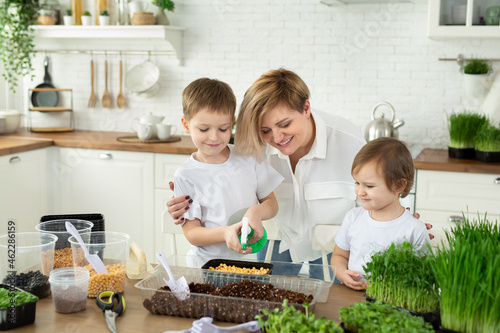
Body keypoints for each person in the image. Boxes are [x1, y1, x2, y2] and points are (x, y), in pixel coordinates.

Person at [167, 68, 433, 279]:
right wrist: (184, 201)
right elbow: (218, 175)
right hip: (270, 251)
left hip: (335, 255)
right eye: (265, 130)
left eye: (284, 125)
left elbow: (380, 189)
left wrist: (399, 220)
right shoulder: (252, 147)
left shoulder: (348, 141)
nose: (277, 138)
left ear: (306, 109)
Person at [172, 78, 284, 267]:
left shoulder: (249, 157)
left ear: (232, 123)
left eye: (223, 129)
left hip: (247, 264)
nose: (214, 137)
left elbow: (271, 204)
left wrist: (256, 211)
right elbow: (192, 233)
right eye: (203, 129)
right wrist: (225, 233)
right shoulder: (185, 175)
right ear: (186, 125)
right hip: (206, 267)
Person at [331, 137, 431, 290]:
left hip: (392, 303)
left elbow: (423, 275)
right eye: (357, 182)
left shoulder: (414, 229)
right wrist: (341, 273)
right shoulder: (353, 217)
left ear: (398, 185)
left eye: (369, 186)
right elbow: (339, 256)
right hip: (351, 295)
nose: (360, 191)